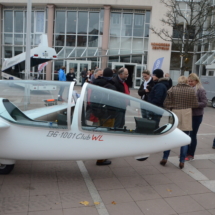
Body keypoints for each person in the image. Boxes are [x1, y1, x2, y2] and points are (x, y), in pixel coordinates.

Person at [160, 76, 199, 169]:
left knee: (170, 136)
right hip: (186, 114)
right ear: (186, 81)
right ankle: (182, 161)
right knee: (185, 138)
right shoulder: (191, 90)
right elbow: (195, 104)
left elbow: (166, 103)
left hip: (175, 113)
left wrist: (174, 105)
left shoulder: (172, 89)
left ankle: (165, 158)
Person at [91, 68, 117, 166]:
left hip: (99, 114)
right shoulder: (111, 86)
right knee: (106, 136)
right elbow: (114, 102)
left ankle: (98, 154)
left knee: (100, 135)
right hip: (108, 114)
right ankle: (101, 158)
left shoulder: (96, 83)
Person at [185, 73, 207, 161]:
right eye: (189, 81)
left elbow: (204, 103)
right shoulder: (188, 89)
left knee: (192, 135)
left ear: (196, 81)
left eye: (191, 81)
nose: (190, 83)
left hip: (196, 116)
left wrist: (194, 104)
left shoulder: (200, 90)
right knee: (186, 134)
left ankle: (191, 154)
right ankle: (185, 152)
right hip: (188, 114)